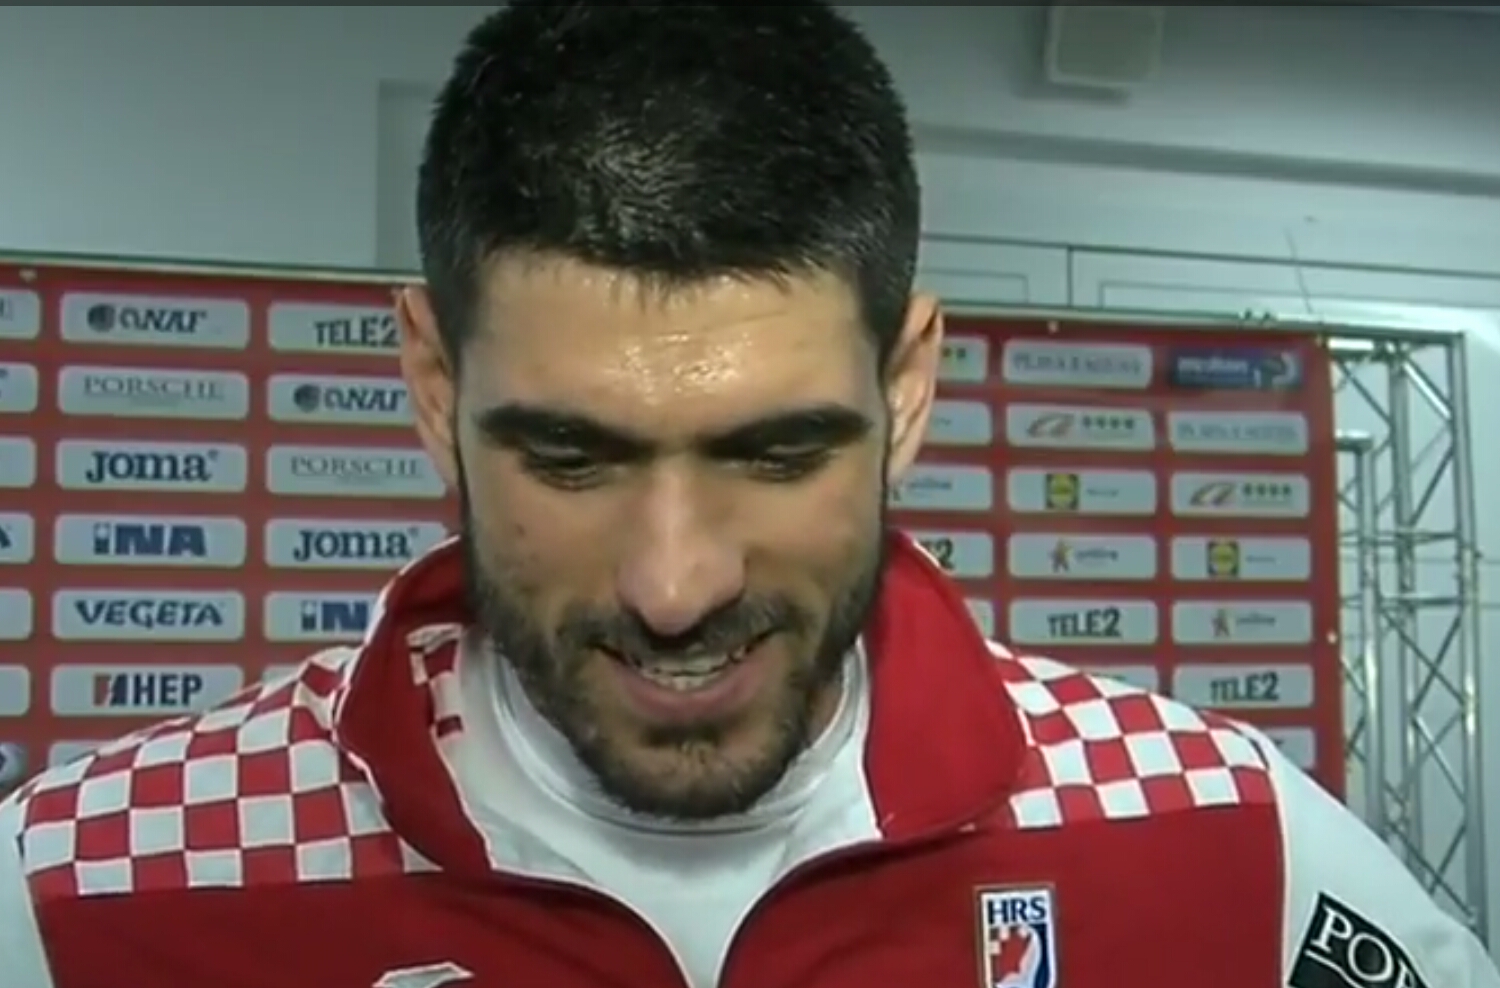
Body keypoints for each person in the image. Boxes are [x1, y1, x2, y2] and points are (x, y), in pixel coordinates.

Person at [1, 4, 1496, 987]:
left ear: (906, 388)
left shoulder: (1221, 839)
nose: (675, 586)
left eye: (777, 454)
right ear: (436, 385)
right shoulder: (82, 896)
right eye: (571, 458)